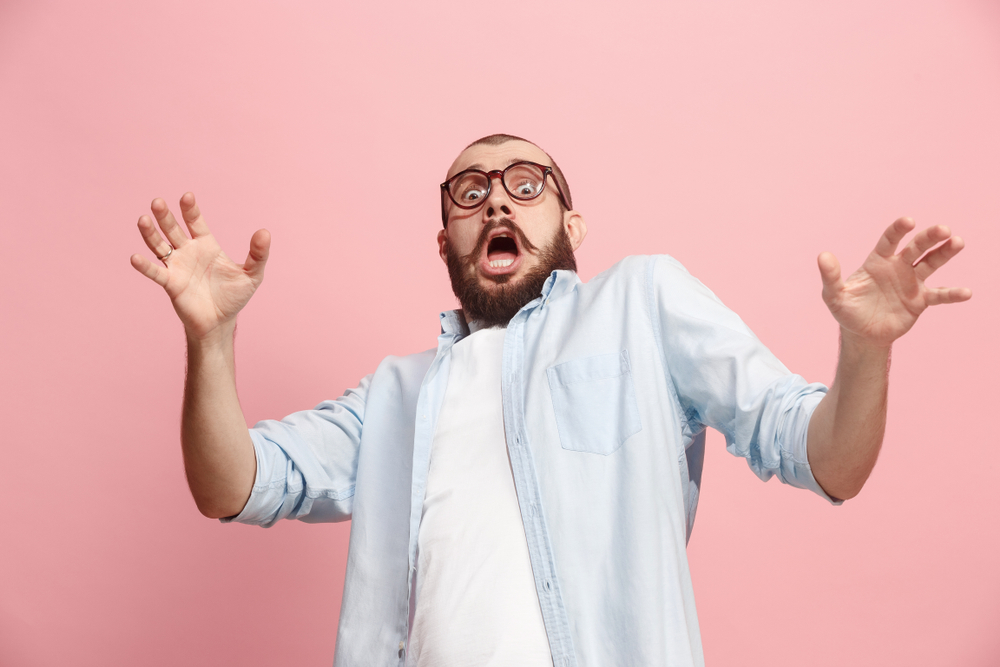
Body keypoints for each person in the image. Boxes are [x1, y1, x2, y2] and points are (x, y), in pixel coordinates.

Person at [130, 134, 971, 667]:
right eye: (470, 191)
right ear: (446, 241)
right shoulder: (392, 396)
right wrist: (211, 339)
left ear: (572, 223)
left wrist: (864, 350)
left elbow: (825, 459)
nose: (496, 197)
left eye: (526, 183)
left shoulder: (642, 303)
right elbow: (233, 485)